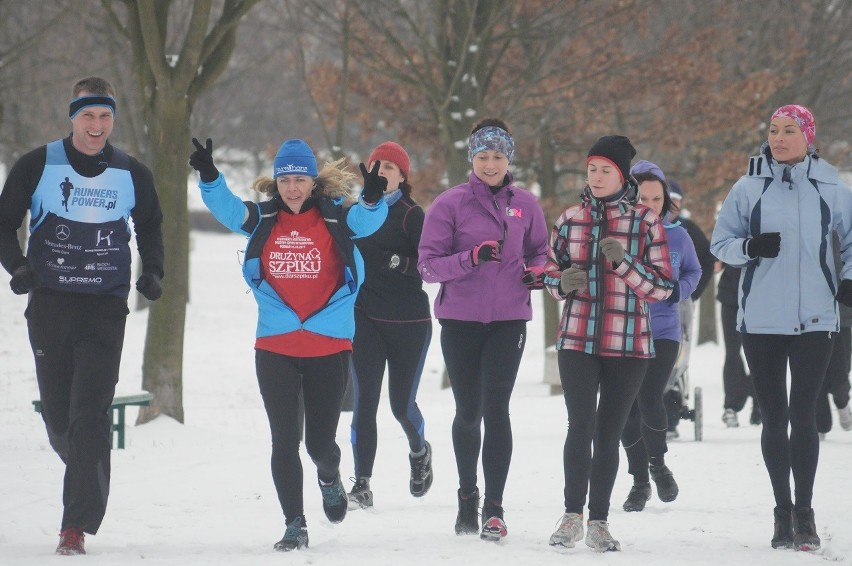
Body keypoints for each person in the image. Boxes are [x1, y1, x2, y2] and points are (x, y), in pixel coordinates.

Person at [188, 136, 388, 552]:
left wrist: (372, 198)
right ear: (275, 183)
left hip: (329, 345)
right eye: (285, 181)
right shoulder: (263, 218)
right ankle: (294, 523)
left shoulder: (336, 217)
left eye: (300, 179)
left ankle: (330, 477)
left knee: (319, 443)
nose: (292, 188)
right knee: (284, 439)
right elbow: (228, 210)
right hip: (275, 345)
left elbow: (368, 222)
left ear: (313, 182)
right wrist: (209, 176)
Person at [0, 77, 164, 555]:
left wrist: (152, 271)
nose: (97, 126)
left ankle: (75, 526)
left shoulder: (132, 172)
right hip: (50, 304)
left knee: (89, 414)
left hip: (104, 307)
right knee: (59, 419)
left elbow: (151, 224)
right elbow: (4, 223)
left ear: (114, 119)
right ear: (72, 117)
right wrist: (19, 267)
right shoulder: (37, 164)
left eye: (105, 117)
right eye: (88, 116)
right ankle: (86, 464)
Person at [710, 104, 852, 552]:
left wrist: (848, 279)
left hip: (816, 317)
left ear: (808, 136)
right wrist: (750, 246)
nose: (779, 138)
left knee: (804, 414)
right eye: (773, 130)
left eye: (789, 130)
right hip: (761, 319)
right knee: (773, 417)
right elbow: (721, 243)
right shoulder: (747, 187)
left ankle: (805, 514)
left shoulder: (831, 187)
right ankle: (781, 511)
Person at [418, 118, 549, 542]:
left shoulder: (526, 204)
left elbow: (541, 252)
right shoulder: (449, 204)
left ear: (509, 157)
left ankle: (494, 507)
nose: (490, 165)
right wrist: (471, 257)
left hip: (509, 320)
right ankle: (466, 496)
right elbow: (428, 265)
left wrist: (536, 273)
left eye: (497, 156)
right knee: (468, 412)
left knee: (497, 410)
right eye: (482, 156)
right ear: (470, 159)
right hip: (460, 321)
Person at [544, 136, 673, 552]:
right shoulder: (569, 219)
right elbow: (547, 271)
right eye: (592, 169)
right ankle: (571, 516)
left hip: (628, 343)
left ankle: (599, 521)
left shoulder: (645, 222)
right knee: (579, 425)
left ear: (622, 176)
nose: (596, 177)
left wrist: (624, 263)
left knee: (609, 431)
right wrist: (559, 283)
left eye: (606, 171)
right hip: (577, 338)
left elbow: (662, 288)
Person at [346, 141, 433, 510]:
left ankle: (419, 451)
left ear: (402, 176)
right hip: (365, 318)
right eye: (376, 166)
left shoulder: (412, 215)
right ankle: (362, 483)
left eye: (389, 168)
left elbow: (430, 266)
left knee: (400, 405)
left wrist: (400, 262)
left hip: (409, 323)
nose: (381, 172)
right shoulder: (354, 214)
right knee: (364, 402)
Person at [620, 160, 701, 513]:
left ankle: (658, 465)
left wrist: (676, 292)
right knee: (624, 408)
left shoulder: (679, 235)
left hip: (664, 328)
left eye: (656, 198)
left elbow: (695, 271)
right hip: (621, 329)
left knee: (649, 394)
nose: (649, 205)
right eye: (642, 197)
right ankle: (639, 481)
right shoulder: (617, 234)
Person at [662, 179, 717, 438]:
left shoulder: (688, 230)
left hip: (681, 302)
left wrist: (692, 293)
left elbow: (705, 264)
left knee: (678, 353)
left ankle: (672, 406)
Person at [716, 262, 759, 427]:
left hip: (761, 298)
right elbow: (716, 258)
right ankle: (731, 406)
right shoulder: (730, 235)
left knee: (759, 354)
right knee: (732, 352)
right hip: (731, 296)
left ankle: (759, 403)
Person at [817, 233, 852, 438]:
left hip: (842, 312)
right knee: (813, 371)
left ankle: (842, 401)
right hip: (812, 314)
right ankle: (819, 424)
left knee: (840, 369)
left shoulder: (844, 226)